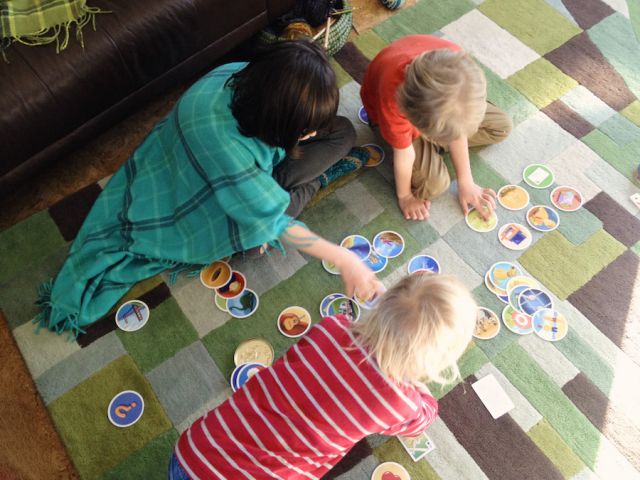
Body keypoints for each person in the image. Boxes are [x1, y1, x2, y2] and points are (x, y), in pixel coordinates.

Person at [35, 40, 378, 337]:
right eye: (303, 130)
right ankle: (303, 185)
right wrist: (345, 258)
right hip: (203, 199)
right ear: (278, 121)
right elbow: (278, 227)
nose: (309, 136)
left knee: (343, 131)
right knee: (262, 232)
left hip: (236, 170)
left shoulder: (239, 74)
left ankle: (266, 192)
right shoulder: (227, 149)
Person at [168, 273, 477, 479]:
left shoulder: (330, 327)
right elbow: (424, 417)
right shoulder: (400, 403)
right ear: (437, 362)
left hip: (191, 453)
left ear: (383, 302)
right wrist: (417, 388)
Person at [360, 34, 513, 222]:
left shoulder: (458, 62)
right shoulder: (393, 100)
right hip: (392, 121)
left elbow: (458, 122)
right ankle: (432, 144)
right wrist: (405, 197)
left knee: (501, 127)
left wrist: (465, 180)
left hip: (434, 102)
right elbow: (404, 155)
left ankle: (434, 144)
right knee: (434, 185)